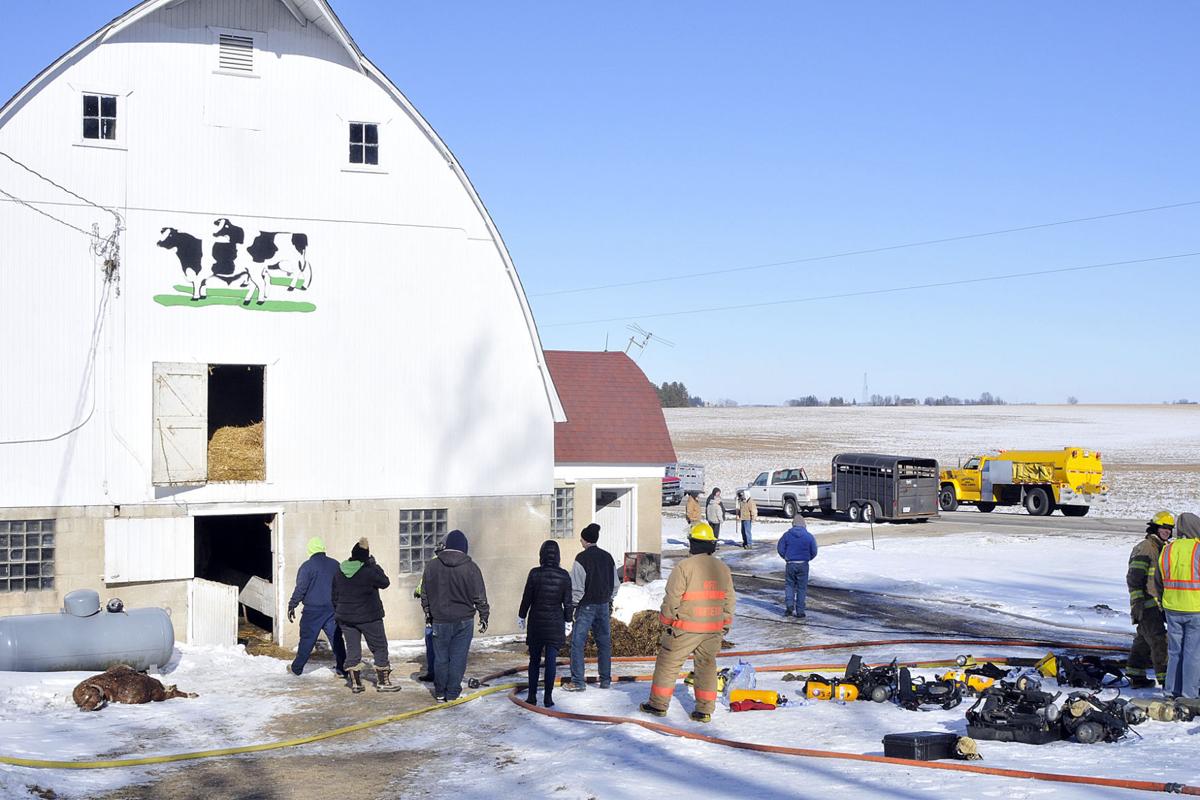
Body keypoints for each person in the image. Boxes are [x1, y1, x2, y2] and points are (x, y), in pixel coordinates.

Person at [640, 522, 735, 723]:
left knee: (668, 664)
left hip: (685, 629)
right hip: (713, 629)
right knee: (707, 666)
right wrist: (725, 623)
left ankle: (658, 705)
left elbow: (672, 598)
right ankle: (704, 710)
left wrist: (665, 620)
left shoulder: (684, 567)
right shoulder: (722, 568)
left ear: (693, 543)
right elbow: (729, 599)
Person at [420, 529, 489, 702]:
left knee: (441, 657)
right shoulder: (471, 568)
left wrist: (428, 613)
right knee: (458, 657)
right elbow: (479, 595)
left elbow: (424, 593)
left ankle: (440, 691)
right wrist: (484, 616)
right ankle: (452, 693)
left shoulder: (432, 566)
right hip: (464, 620)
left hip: (439, 620)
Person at [331, 537, 396, 693]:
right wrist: (375, 565)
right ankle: (383, 682)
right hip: (369, 617)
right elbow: (385, 582)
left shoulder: (340, 571)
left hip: (346, 619)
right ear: (366, 556)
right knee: (379, 647)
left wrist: (341, 611)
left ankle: (356, 683)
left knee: (353, 649)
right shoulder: (369, 571)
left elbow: (334, 596)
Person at [564, 523, 619, 692]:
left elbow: (578, 587)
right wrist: (609, 599)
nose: (580, 540)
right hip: (603, 605)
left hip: (586, 606)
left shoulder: (581, 558)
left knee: (578, 643)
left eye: (581, 538)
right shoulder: (608, 557)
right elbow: (616, 584)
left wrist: (572, 605)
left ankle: (578, 681)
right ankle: (605, 680)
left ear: (586, 540)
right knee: (603, 643)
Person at [518, 540, 573, 707]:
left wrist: (522, 615)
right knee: (550, 662)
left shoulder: (534, 573)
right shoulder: (564, 575)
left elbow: (527, 597)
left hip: (536, 622)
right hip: (555, 622)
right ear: (558, 556)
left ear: (541, 555)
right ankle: (548, 697)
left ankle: (532, 696)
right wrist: (568, 620)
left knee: (534, 661)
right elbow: (568, 603)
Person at [287, 537, 347, 677]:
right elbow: (342, 586)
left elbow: (301, 588)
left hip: (312, 611)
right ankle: (342, 669)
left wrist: (292, 604)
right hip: (332, 610)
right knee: (336, 639)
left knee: (307, 639)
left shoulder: (307, 566)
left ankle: (297, 668)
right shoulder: (335, 564)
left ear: (310, 550)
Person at [1127, 511, 1174, 688]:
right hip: (1147, 604)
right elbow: (1134, 578)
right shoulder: (1146, 547)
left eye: (1169, 529)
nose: (1166, 531)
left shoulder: (1161, 548)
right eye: (1163, 527)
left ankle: (1135, 673)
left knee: (1143, 639)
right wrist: (1139, 604)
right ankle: (1165, 680)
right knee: (1159, 640)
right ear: (1155, 527)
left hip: (1156, 603)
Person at [1159, 512, 1200, 698]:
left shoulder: (1168, 549)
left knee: (1175, 652)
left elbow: (1158, 578)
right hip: (1195, 608)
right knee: (1192, 654)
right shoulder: (1198, 549)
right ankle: (1189, 694)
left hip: (1172, 607)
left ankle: (1171, 691)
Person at [411, 541, 446, 682]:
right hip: (447, 610)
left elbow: (421, 586)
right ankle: (441, 673)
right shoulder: (454, 562)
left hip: (433, 611)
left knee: (432, 640)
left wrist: (418, 592)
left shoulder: (433, 564)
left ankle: (433, 672)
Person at [776, 515, 818, 618]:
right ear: (804, 524)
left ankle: (789, 606)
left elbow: (780, 548)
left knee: (789, 586)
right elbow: (814, 551)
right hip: (803, 564)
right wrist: (807, 558)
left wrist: (785, 556)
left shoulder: (786, 535)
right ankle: (800, 611)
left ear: (793, 524)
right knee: (801, 588)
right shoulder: (809, 536)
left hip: (790, 564)